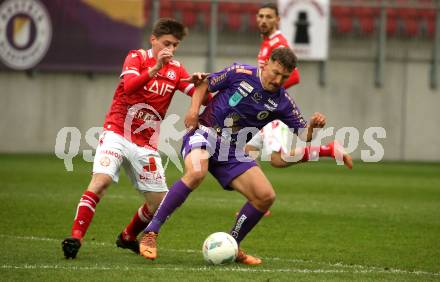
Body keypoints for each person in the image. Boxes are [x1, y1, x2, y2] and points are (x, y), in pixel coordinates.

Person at [138, 48, 328, 265]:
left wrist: (313, 125)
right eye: (275, 73)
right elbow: (204, 84)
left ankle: (233, 245)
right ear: (265, 64)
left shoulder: (282, 101)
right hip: (205, 131)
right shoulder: (240, 72)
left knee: (265, 196)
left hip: (233, 151)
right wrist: (192, 110)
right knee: (196, 173)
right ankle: (151, 232)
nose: (278, 80)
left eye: (284, 77)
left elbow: (303, 134)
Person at [62, 18, 208, 259]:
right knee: (101, 181)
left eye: (174, 46)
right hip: (117, 131)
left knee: (160, 203)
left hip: (146, 143)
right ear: (153, 40)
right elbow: (129, 86)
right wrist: (154, 69)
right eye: (166, 44)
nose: (169, 50)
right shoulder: (136, 57)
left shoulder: (177, 70)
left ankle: (128, 236)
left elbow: (203, 97)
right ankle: (75, 237)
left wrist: (203, 84)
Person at [257, 3, 300, 89]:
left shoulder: (279, 44)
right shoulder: (268, 41)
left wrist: (270, 94)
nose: (264, 21)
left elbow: (294, 77)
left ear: (277, 19)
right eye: (261, 16)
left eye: (269, 17)